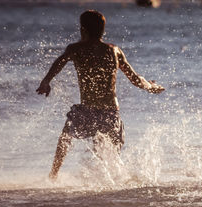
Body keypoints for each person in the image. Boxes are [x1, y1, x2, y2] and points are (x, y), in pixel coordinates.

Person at [36, 10, 164, 180]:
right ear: (103, 30)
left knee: (66, 137)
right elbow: (135, 78)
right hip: (110, 113)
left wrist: (46, 81)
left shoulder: (76, 49)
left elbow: (59, 62)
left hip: (87, 111)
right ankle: (115, 184)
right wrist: (150, 86)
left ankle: (53, 174)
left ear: (83, 29)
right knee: (110, 157)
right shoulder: (114, 51)